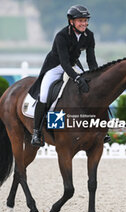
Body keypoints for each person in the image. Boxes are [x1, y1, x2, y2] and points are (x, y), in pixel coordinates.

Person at [29, 5, 110, 146]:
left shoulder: (89, 35)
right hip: (55, 66)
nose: (84, 23)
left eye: (85, 20)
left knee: (93, 90)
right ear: (71, 21)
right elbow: (64, 63)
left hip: (73, 65)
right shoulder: (61, 36)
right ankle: (36, 132)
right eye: (80, 21)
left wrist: (97, 77)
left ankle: (101, 128)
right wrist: (77, 78)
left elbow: (91, 60)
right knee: (43, 95)